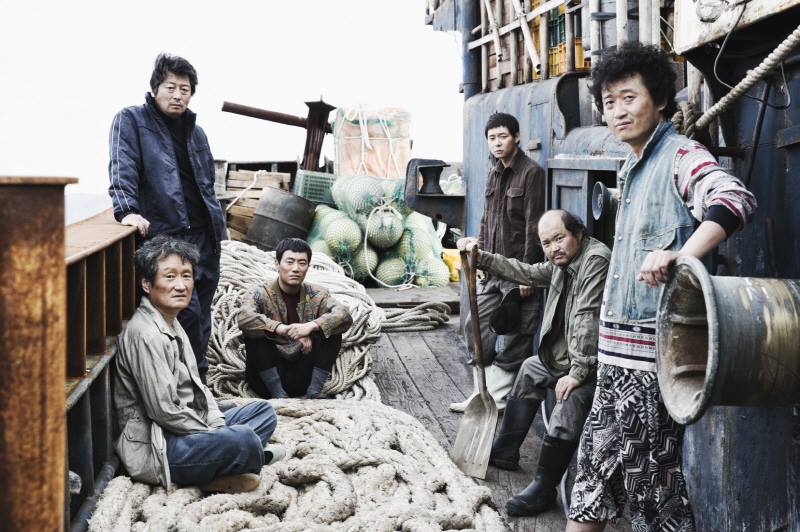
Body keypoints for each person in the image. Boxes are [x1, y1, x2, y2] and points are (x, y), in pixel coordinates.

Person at [566, 42, 757, 531]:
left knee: (655, 500)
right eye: (608, 102)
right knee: (590, 483)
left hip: (654, 364)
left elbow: (734, 198)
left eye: (628, 98)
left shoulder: (680, 156)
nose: (617, 111)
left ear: (660, 100)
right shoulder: (631, 166)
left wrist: (682, 254)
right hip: (614, 360)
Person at [459, 209, 610, 516]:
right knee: (529, 369)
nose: (554, 248)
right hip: (564, 357)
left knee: (567, 404)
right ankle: (505, 451)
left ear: (578, 233)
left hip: (593, 365)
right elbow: (526, 273)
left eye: (559, 238)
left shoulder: (595, 260)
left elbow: (588, 318)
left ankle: (544, 487)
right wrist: (482, 258)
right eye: (547, 243)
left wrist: (578, 372)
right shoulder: (560, 264)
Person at [114, 235, 283, 494]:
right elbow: (164, 411)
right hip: (161, 444)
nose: (181, 285)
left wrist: (217, 425)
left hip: (188, 425)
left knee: (263, 412)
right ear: (147, 284)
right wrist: (214, 431)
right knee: (244, 439)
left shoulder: (171, 320)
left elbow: (198, 387)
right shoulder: (146, 333)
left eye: (186, 276)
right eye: (170, 277)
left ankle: (231, 462)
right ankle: (236, 461)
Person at [107, 53, 227, 382]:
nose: (177, 95)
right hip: (166, 237)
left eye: (184, 89)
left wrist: (219, 231)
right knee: (185, 314)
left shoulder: (197, 133)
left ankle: (198, 387)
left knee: (201, 318)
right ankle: (186, 387)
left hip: (205, 238)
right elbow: (122, 166)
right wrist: (127, 210)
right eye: (170, 87)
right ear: (155, 88)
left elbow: (207, 185)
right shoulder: (131, 120)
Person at [450, 112, 547, 413]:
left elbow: (533, 227)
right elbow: (486, 220)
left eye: (503, 136)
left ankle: (498, 398)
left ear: (516, 137)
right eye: (492, 138)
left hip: (518, 271)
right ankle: (482, 393)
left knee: (517, 334)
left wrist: (527, 275)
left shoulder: (531, 173)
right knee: (475, 326)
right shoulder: (493, 173)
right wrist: (479, 262)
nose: (497, 143)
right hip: (492, 269)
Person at [238, 238, 353, 399]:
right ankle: (280, 396)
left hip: (303, 374)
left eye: (302, 263)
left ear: (308, 267)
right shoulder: (259, 292)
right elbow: (244, 317)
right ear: (277, 264)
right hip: (266, 379)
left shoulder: (318, 294)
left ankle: (314, 392)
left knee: (332, 330)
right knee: (255, 333)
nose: (296, 269)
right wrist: (282, 329)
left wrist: (312, 326)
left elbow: (344, 315)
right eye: (290, 262)